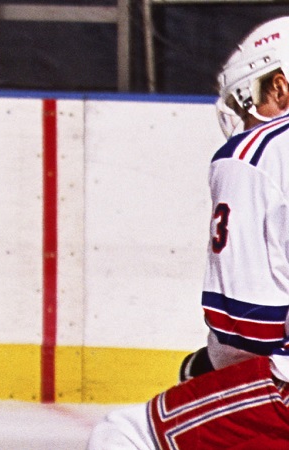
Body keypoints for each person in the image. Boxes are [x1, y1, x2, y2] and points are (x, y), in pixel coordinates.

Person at [86, 17, 289, 449]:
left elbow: (248, 328)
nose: (245, 121)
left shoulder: (258, 152)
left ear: (279, 88)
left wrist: (209, 369)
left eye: (247, 103)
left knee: (125, 434)